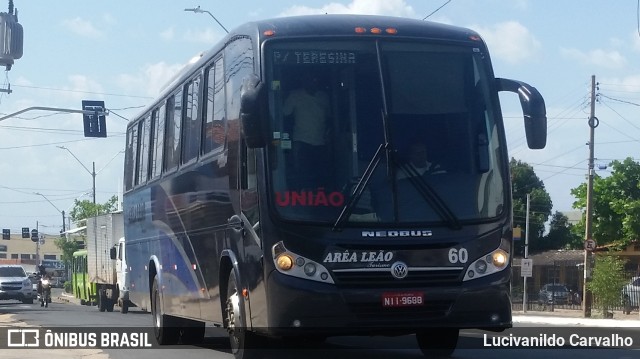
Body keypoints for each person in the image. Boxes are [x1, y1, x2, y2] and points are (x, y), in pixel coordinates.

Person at [283, 74, 331, 189]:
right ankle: (304, 199)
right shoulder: (295, 95)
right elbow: (284, 115)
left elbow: (329, 118)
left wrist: (328, 134)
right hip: (301, 141)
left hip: (321, 142)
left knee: (321, 174)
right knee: (302, 173)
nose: (312, 82)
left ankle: (320, 200)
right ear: (303, 82)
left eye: (315, 79)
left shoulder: (323, 97)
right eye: (309, 79)